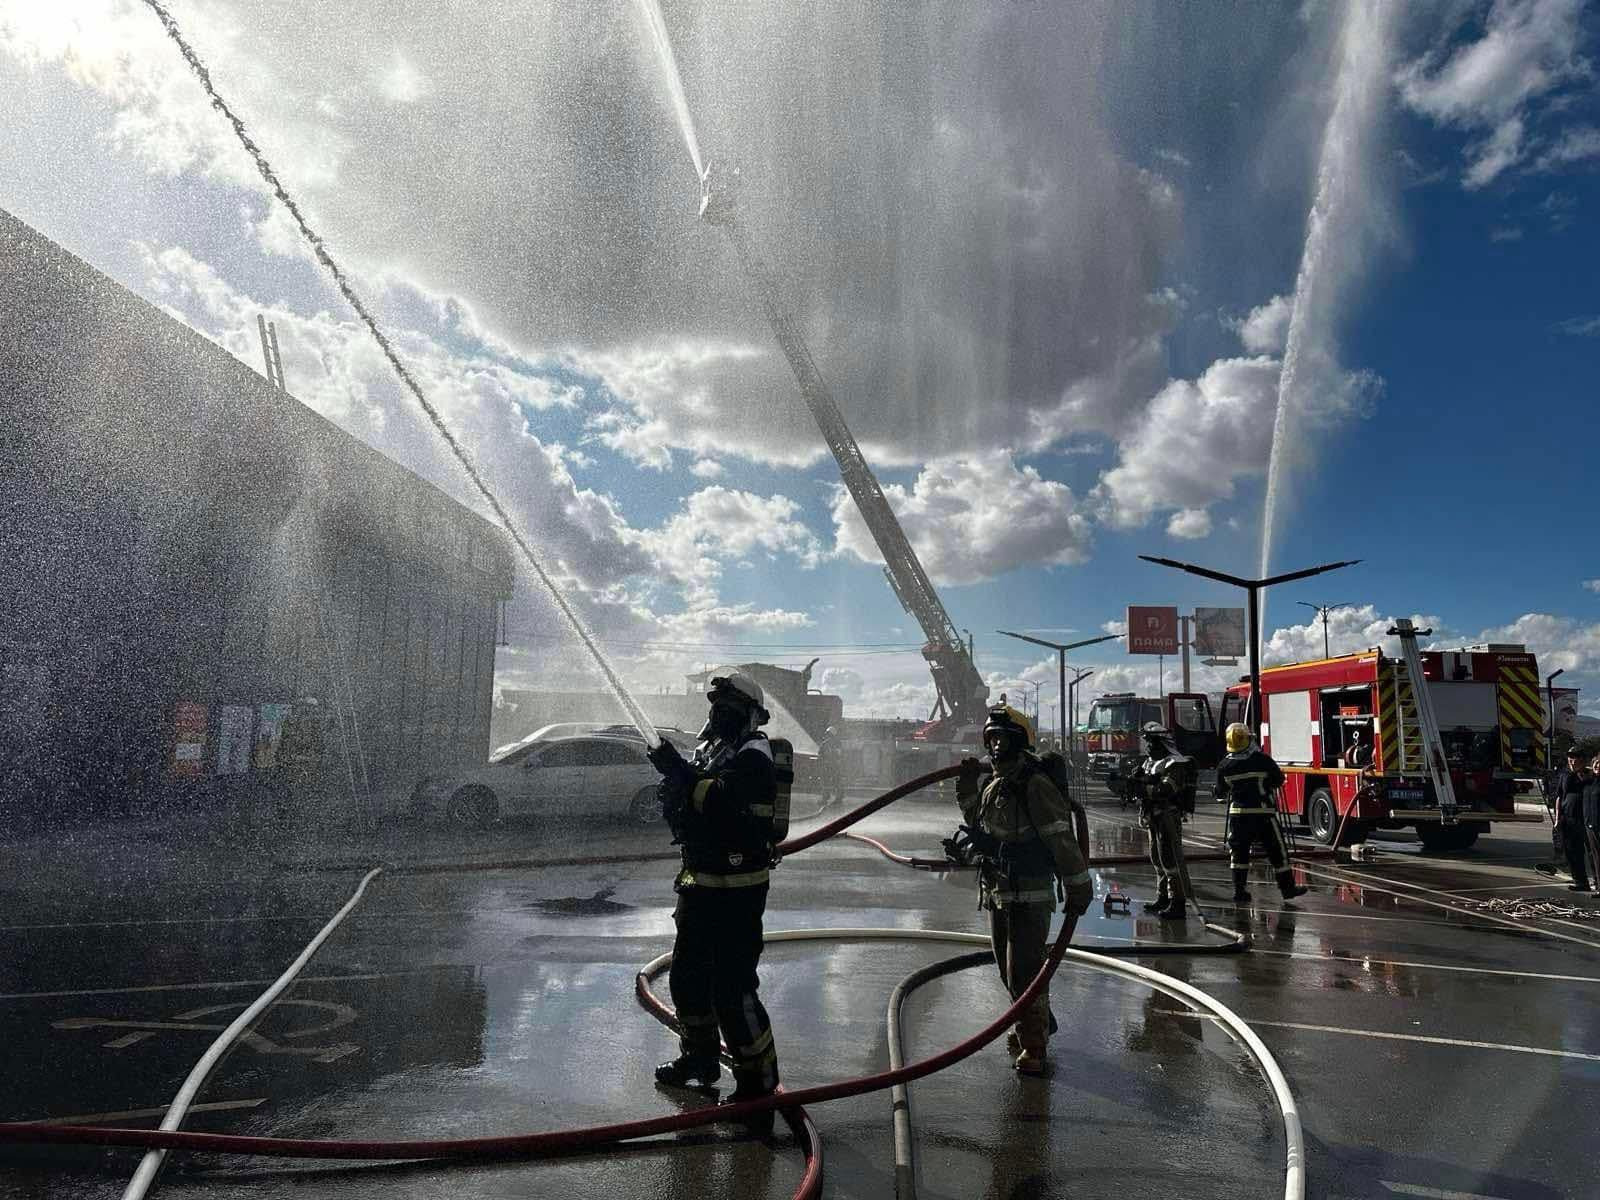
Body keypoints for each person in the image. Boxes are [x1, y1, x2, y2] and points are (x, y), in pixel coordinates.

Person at [647, 673, 783, 1123]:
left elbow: (731, 808)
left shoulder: (755, 756)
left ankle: (757, 1082)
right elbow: (693, 805)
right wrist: (676, 792)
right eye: (714, 706)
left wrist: (682, 776)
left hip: (737, 892)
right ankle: (700, 1059)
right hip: (699, 884)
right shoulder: (711, 752)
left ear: (747, 715)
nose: (716, 714)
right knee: (686, 980)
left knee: (732, 989)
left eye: (726, 707)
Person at [954, 704, 1094, 1076]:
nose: (995, 745)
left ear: (1019, 740)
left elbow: (1059, 839)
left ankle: (1035, 1046)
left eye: (1002, 737)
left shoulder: (1033, 783)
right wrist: (967, 788)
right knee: (1006, 969)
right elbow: (978, 821)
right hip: (999, 891)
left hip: (1029, 892)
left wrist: (1078, 886)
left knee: (1025, 972)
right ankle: (1030, 1025)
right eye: (991, 738)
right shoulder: (997, 783)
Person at [1215, 722, 1309, 904]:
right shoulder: (1262, 760)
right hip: (1264, 815)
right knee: (1277, 851)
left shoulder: (1224, 765)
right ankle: (1287, 889)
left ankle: (1239, 891)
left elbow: (1220, 792)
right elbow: (1278, 780)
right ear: (1249, 740)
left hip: (1238, 817)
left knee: (1239, 854)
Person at [1128, 723, 1196, 921]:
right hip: (1153, 816)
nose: (1147, 747)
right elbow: (1144, 783)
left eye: (1150, 742)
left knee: (1170, 859)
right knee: (1156, 857)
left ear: (1161, 743)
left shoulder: (1175, 763)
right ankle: (1163, 897)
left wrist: (1144, 789)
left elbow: (1168, 789)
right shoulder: (1149, 762)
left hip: (1168, 815)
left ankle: (1178, 903)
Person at [1550, 747, 1591, 891]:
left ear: (1583, 760)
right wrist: (1557, 818)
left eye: (1576, 758)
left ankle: (1598, 883)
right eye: (1570, 758)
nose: (1572, 761)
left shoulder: (1589, 775)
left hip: (1586, 819)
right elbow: (1559, 796)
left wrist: (1582, 774)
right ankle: (1581, 882)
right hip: (1568, 818)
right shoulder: (1565, 775)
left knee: (1592, 853)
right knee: (1572, 851)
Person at [1585, 754, 1600, 898]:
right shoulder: (1589, 782)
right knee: (1596, 857)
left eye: (1599, 763)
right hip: (1590, 825)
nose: (1597, 766)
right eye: (1595, 763)